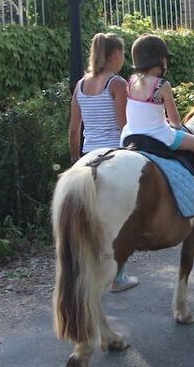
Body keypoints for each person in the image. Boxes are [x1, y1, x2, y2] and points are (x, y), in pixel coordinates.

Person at [121, 33, 194, 207]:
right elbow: (176, 121)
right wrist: (173, 124)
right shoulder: (162, 85)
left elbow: (142, 110)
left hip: (131, 135)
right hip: (158, 136)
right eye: (165, 59)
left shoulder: (130, 81)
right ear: (159, 61)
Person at [68, 32, 139, 293]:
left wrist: (75, 160)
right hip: (114, 153)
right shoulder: (117, 84)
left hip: (87, 156)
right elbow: (124, 125)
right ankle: (118, 276)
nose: (123, 58)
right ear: (115, 55)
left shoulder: (80, 85)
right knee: (125, 217)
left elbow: (74, 129)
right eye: (121, 53)